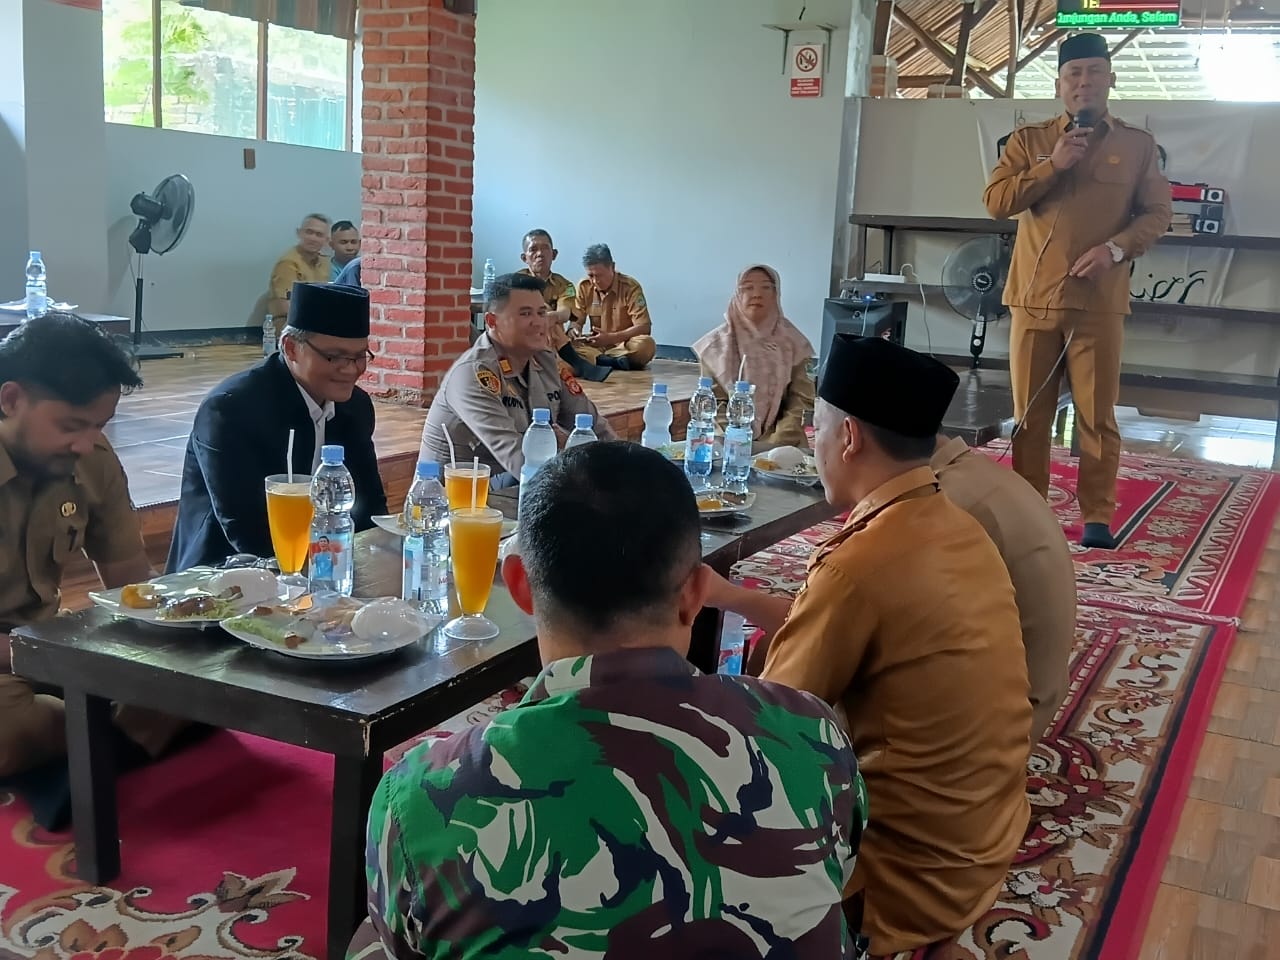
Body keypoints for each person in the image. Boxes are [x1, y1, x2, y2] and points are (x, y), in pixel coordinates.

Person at [348, 441, 870, 959]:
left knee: (371, 939)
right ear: (695, 593)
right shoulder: (811, 733)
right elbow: (837, 867)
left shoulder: (424, 795)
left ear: (521, 587)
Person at [704, 335, 1032, 956]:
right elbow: (829, 623)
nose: (813, 440)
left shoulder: (856, 565)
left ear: (849, 437)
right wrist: (730, 596)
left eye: (818, 426)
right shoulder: (956, 526)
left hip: (901, 877)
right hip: (982, 839)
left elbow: (768, 727)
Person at [984, 32, 1171, 550]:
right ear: (1059, 85)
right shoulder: (1029, 141)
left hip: (1098, 303)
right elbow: (996, 202)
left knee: (1096, 415)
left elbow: (1158, 213)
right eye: (1073, 74)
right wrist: (1053, 164)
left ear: (1110, 79)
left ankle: (1097, 516)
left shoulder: (1137, 146)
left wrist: (1115, 249)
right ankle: (1029, 511)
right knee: (1030, 418)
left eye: (1093, 72)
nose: (1083, 82)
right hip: (1033, 301)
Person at [0, 314, 187, 827]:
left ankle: (86, 740)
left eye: (99, 426)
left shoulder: (90, 458)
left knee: (199, 675)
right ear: (11, 399)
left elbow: (131, 581)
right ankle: (108, 737)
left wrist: (164, 644)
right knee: (7, 730)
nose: (85, 443)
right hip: (26, 653)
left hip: (44, 646)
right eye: (70, 426)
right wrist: (54, 656)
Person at [168, 283, 387, 572]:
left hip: (327, 566)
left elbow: (370, 507)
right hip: (224, 574)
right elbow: (247, 531)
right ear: (291, 347)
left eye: (359, 356)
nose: (350, 369)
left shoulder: (354, 407)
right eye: (334, 357)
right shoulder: (232, 409)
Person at [932, 434, 1075, 740]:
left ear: (851, 438)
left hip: (994, 736)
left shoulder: (941, 504)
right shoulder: (983, 476)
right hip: (1034, 701)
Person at [419, 273, 617, 483]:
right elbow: (519, 460)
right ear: (492, 321)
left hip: (516, 484)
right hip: (460, 494)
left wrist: (626, 467)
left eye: (541, 313)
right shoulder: (473, 374)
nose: (538, 322)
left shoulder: (546, 361)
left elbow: (592, 425)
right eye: (525, 314)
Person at [693, 264, 815, 449]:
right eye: (748, 288)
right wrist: (735, 440)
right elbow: (715, 401)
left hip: (783, 444)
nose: (757, 294)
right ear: (737, 295)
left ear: (776, 295)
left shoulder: (794, 343)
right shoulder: (715, 347)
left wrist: (776, 441)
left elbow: (802, 400)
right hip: (728, 442)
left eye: (766, 287)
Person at [518, 228, 610, 382]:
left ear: (554, 254)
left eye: (545, 248)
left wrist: (550, 318)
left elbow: (565, 313)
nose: (539, 254)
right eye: (533, 249)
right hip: (525, 339)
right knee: (542, 311)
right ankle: (575, 365)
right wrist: (543, 316)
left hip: (553, 343)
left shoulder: (564, 285)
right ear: (524, 258)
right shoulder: (516, 282)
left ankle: (558, 366)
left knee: (587, 353)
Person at [571, 243, 657, 370]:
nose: (594, 281)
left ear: (612, 267)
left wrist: (611, 338)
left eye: (599, 275)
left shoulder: (630, 287)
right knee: (567, 345)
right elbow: (576, 321)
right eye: (590, 276)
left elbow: (644, 327)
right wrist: (574, 330)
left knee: (646, 345)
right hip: (597, 345)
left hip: (624, 345)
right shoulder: (584, 287)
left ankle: (601, 360)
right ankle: (613, 361)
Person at [267, 213, 332, 319]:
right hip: (290, 323)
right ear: (299, 233)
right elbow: (286, 306)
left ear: (326, 240)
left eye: (319, 235)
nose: (313, 238)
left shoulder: (324, 263)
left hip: (317, 319)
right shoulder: (288, 263)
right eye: (309, 232)